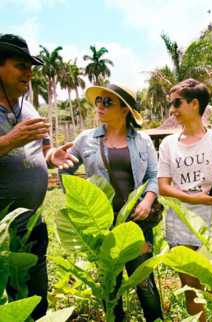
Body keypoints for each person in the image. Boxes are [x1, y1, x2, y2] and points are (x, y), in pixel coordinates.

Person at [57, 83, 163, 322]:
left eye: (107, 102)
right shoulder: (85, 140)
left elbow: (152, 177)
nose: (99, 107)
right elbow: (65, 170)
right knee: (110, 288)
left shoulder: (143, 140)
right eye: (98, 101)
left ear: (125, 110)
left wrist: (147, 200)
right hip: (100, 225)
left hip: (137, 224)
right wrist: (79, 201)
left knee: (145, 284)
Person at [0, 33, 77, 320]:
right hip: (1, 232)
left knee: (36, 301)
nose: (30, 74)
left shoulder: (28, 107)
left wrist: (52, 155)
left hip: (33, 225)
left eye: (31, 68)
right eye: (21, 65)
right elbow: (13, 142)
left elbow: (43, 148)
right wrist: (9, 140)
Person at [158, 79, 212, 321]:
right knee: (191, 289)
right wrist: (196, 198)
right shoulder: (168, 144)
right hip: (181, 224)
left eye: (176, 103)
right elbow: (163, 187)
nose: (172, 110)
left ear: (194, 104)